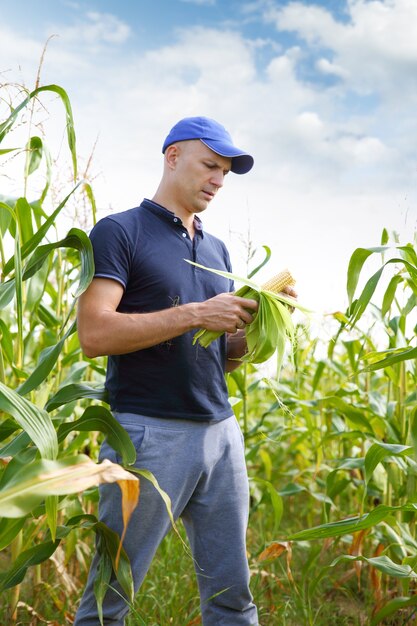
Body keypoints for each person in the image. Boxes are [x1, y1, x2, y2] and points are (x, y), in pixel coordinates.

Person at [75, 116, 263, 626]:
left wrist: (257, 333)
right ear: (173, 156)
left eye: (224, 173)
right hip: (150, 435)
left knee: (232, 592)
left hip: (221, 435)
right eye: (210, 166)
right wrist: (199, 313)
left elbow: (218, 358)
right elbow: (94, 334)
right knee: (111, 595)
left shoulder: (218, 250)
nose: (218, 181)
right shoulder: (119, 232)